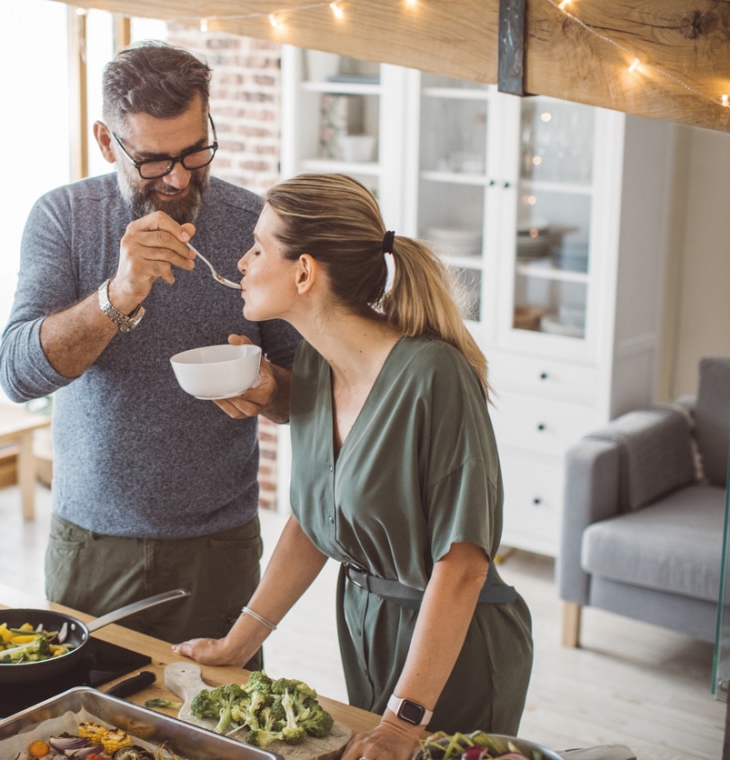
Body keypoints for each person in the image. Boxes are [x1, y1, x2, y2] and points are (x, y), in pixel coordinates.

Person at [173, 173, 533, 760]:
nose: (242, 261)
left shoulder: (433, 376)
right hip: (366, 628)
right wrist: (237, 644)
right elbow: (313, 525)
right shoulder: (316, 365)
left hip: (456, 643)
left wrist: (403, 722)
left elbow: (463, 563)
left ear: (305, 272)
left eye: (259, 247)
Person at [0, 41, 300, 648]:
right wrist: (118, 293)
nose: (180, 177)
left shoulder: (257, 224)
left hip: (221, 544)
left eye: (195, 152)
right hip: (90, 542)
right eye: (155, 161)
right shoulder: (64, 219)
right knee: (86, 730)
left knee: (215, 729)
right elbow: (17, 374)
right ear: (108, 143)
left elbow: (309, 397)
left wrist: (268, 387)